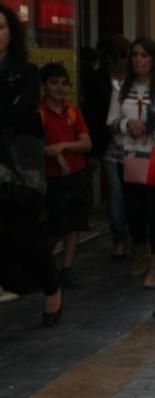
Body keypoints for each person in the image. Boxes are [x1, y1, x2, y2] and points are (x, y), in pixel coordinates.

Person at [0, 2, 63, 323]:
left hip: (18, 169)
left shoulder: (25, 73)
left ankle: (52, 289)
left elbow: (20, 113)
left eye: (0, 27)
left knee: (25, 233)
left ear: (12, 33)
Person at [106, 37, 155, 289]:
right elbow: (112, 122)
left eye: (144, 55)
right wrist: (128, 124)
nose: (139, 59)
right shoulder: (120, 88)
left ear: (153, 59)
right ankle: (140, 249)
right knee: (134, 210)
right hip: (130, 157)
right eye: (135, 55)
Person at [39, 63, 92, 288]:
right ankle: (44, 264)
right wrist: (54, 152)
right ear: (44, 86)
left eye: (63, 83)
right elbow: (38, 146)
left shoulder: (72, 111)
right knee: (54, 225)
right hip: (52, 177)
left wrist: (63, 146)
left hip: (77, 173)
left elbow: (87, 143)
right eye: (53, 83)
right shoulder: (38, 113)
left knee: (75, 223)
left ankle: (67, 268)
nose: (59, 88)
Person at [83, 35, 130, 259]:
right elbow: (91, 114)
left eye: (126, 55)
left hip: (134, 145)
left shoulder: (137, 79)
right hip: (108, 145)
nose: (123, 60)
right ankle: (119, 239)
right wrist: (92, 150)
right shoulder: (97, 79)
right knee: (115, 193)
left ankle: (136, 237)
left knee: (134, 194)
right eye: (119, 56)